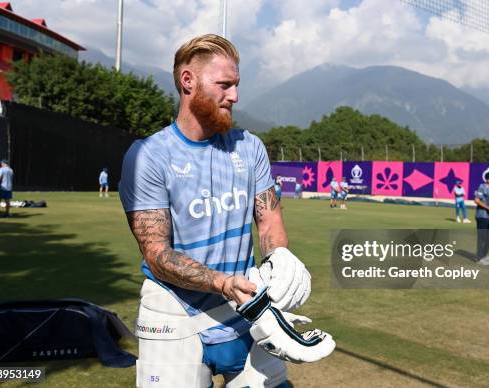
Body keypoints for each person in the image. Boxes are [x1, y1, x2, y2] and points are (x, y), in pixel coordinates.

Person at [120, 34, 332, 388]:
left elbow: (269, 220)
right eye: (225, 85)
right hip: (175, 312)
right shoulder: (149, 156)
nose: (234, 96)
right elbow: (156, 253)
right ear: (188, 81)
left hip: (245, 312)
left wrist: (279, 258)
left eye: (236, 85)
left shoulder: (249, 148)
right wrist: (221, 283)